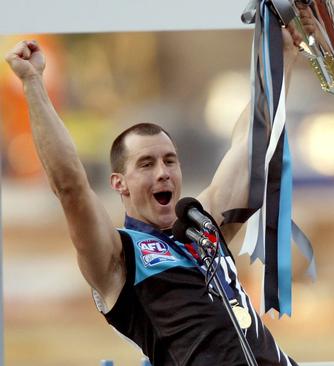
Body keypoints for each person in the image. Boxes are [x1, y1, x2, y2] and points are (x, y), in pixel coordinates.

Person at [4, 34, 299, 365]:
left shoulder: (202, 225)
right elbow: (70, 186)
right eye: (146, 164)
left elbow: (252, 141)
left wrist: (284, 54)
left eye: (169, 160)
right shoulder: (118, 256)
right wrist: (32, 83)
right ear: (120, 183)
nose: (163, 172)